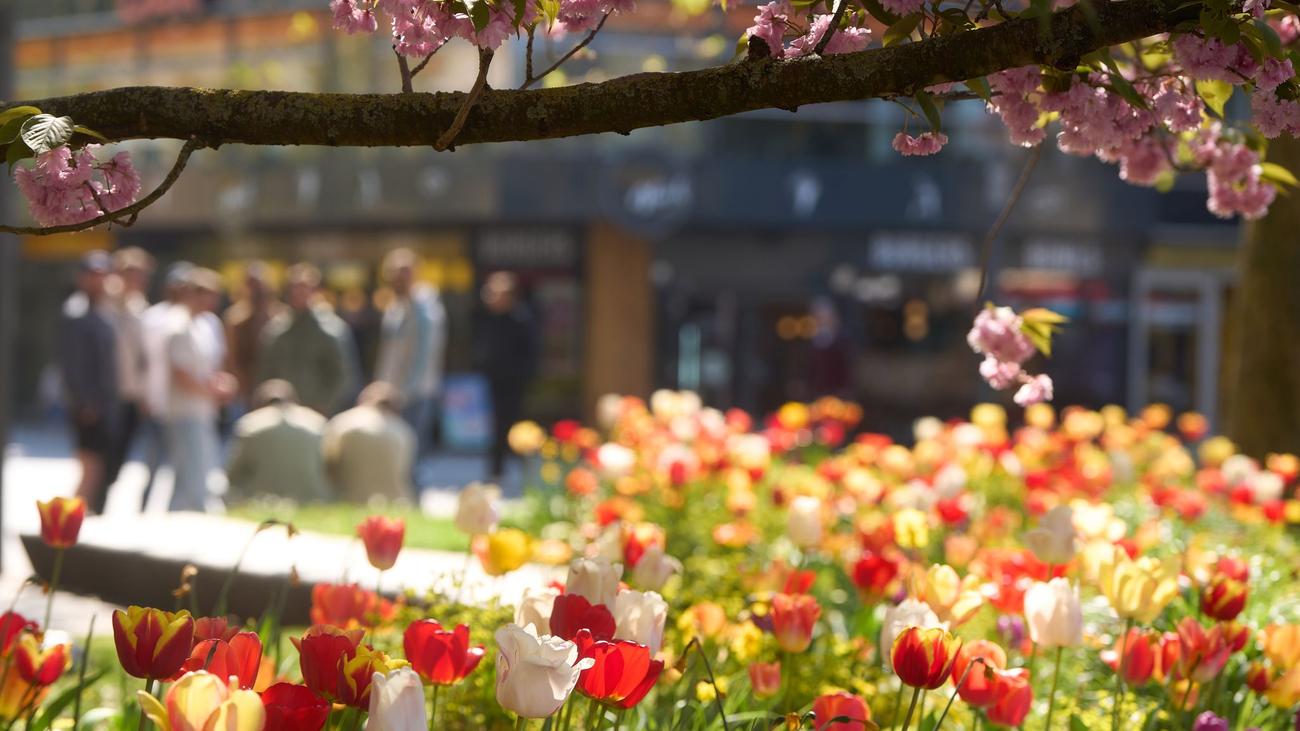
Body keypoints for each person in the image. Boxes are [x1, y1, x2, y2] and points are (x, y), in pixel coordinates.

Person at [164, 268, 236, 512]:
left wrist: (223, 384)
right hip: (184, 411)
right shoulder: (178, 325)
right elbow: (180, 374)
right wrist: (212, 392)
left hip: (205, 410)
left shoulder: (209, 324)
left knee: (197, 472)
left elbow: (216, 364)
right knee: (191, 475)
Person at [374, 249, 447, 481]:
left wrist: (401, 394)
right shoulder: (394, 307)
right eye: (394, 272)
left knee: (411, 455)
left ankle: (412, 494)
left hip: (414, 395)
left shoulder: (425, 309)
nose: (398, 277)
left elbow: (424, 356)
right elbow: (388, 354)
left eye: (404, 272)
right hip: (391, 394)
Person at [57, 251, 120, 514]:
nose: (99, 281)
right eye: (93, 275)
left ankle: (77, 519)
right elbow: (73, 363)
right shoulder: (76, 312)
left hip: (104, 403)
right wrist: (85, 402)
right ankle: (64, 524)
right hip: (88, 406)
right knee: (89, 467)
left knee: (98, 467)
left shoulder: (103, 310)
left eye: (103, 275)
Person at [257, 263, 354, 416]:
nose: (297, 293)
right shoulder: (276, 330)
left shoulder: (331, 329)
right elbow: (266, 373)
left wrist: (324, 405)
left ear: (315, 291)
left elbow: (343, 375)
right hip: (283, 413)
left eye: (303, 288)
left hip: (320, 414)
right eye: (293, 288)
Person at [101, 247, 155, 514]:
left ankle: (99, 507)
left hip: (132, 394)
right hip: (108, 394)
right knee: (103, 457)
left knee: (119, 457)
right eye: (132, 273)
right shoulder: (106, 301)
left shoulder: (140, 307)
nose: (138, 280)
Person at [474, 271, 538, 482]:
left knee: (516, 425)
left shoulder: (521, 318)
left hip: (515, 382)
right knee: (498, 425)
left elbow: (530, 353)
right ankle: (497, 469)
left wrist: (522, 376)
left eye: (496, 294)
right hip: (496, 380)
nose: (491, 298)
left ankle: (524, 469)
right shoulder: (489, 318)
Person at [138, 261, 191, 510]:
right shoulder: (153, 317)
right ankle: (143, 511)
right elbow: (142, 361)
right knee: (152, 464)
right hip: (156, 403)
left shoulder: (197, 319)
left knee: (184, 466)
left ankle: (176, 513)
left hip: (185, 406)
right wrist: (144, 396)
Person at [226, 379, 331, 503]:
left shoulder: (249, 425)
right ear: (295, 400)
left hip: (264, 500)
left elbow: (233, 474)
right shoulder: (318, 423)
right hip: (313, 500)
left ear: (258, 404)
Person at [322, 382, 415, 503]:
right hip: (394, 502)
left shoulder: (343, 422)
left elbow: (328, 462)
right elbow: (404, 471)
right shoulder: (403, 430)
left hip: (348, 498)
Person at [223, 261, 282, 411]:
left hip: (276, 387)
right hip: (246, 391)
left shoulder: (281, 316)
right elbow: (231, 359)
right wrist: (243, 389)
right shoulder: (235, 320)